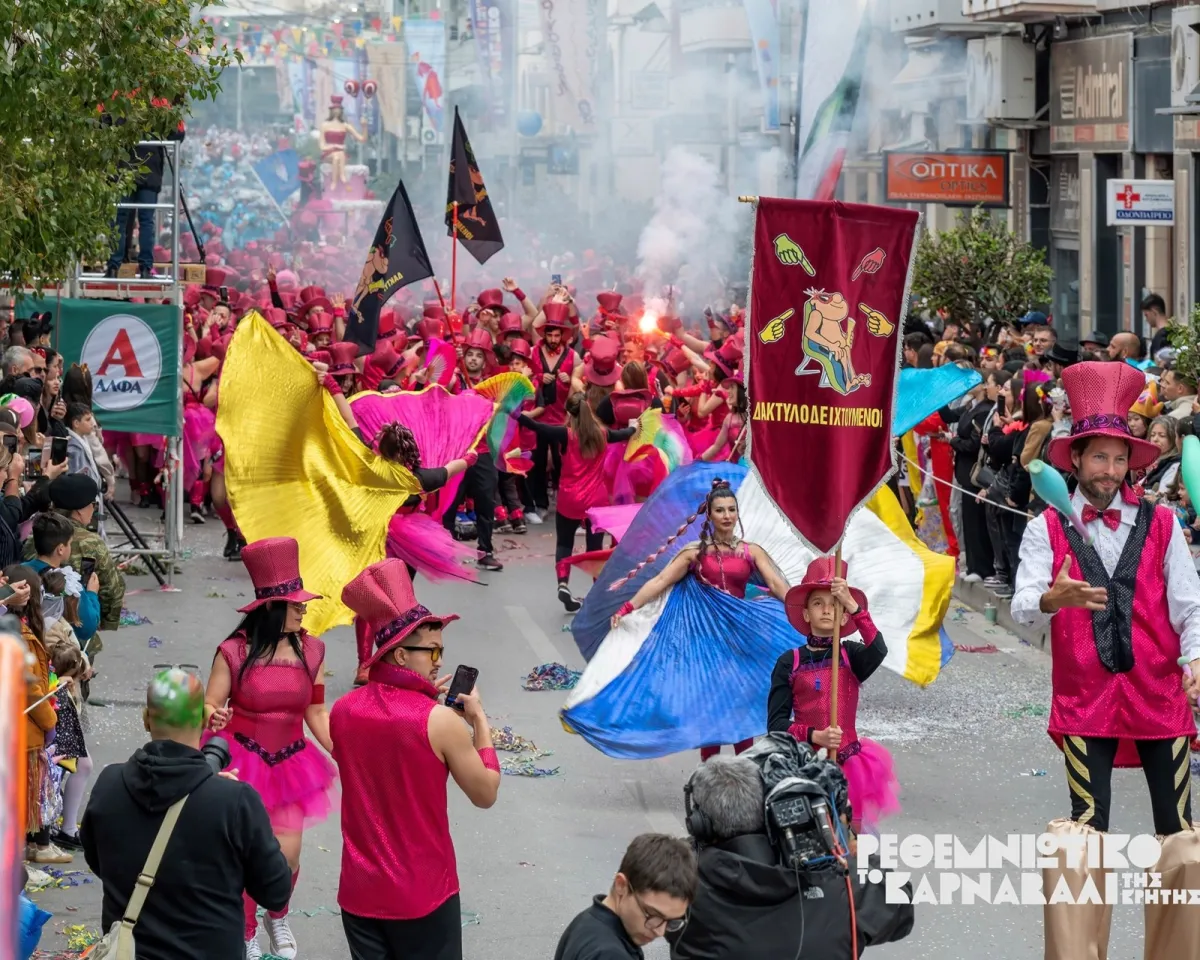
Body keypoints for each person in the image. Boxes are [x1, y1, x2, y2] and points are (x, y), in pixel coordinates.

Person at [1009, 361, 1200, 955]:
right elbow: (1022, 607)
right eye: (1099, 458)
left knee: (1179, 835)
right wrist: (1053, 598)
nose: (1110, 471)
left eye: (1120, 460)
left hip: (1160, 696)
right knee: (1083, 833)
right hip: (1084, 699)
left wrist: (1195, 661)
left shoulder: (1163, 523)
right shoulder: (1045, 528)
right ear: (1076, 459)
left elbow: (1189, 604)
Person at [334, 559, 501, 960]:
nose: (440, 660)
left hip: (359, 893)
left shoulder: (343, 710)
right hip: (423, 894)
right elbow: (485, 792)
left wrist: (421, 696)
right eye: (432, 650)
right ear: (400, 656)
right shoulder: (440, 721)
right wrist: (479, 721)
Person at [564, 479, 792, 760]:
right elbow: (660, 581)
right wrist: (627, 608)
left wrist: (800, 609)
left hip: (740, 637)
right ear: (709, 515)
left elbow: (776, 584)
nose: (727, 516)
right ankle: (710, 770)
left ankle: (744, 769)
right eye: (720, 510)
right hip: (705, 640)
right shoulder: (695, 553)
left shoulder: (751, 551)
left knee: (739, 702)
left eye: (731, 509)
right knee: (710, 706)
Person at [81, 668, 294, 960]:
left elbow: (98, 861)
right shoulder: (235, 802)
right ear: (203, 720)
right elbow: (276, 891)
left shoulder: (109, 785)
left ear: (146, 719)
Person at [203, 537, 336, 960]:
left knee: (288, 857)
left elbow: (316, 712)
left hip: (292, 763)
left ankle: (277, 915)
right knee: (244, 854)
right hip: (241, 762)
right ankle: (245, 931)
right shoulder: (233, 651)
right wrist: (213, 716)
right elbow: (210, 703)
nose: (303, 610)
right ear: (273, 607)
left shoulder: (313, 650)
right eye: (296, 605)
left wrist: (343, 751)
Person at [667, 753, 914, 960]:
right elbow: (901, 903)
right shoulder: (840, 880)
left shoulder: (679, 883)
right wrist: (840, 840)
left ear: (699, 824)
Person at [767, 557, 898, 832]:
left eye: (834, 604)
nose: (827, 610)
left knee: (854, 839)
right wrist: (815, 736)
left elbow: (878, 649)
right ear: (806, 614)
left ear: (844, 615)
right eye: (818, 603)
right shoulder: (789, 662)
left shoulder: (850, 655)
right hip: (805, 764)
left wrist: (853, 604)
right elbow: (775, 724)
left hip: (849, 764)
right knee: (812, 836)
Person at [518, 392, 638, 611]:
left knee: (564, 543)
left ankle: (563, 583)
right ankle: (596, 594)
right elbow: (624, 434)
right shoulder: (603, 434)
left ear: (569, 413)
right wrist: (634, 427)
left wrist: (512, 413)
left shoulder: (566, 434)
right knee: (594, 548)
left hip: (570, 498)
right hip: (596, 500)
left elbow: (537, 426)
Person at [555, 834, 696, 960]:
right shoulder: (610, 954)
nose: (660, 932)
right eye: (652, 914)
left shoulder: (587, 922)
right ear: (621, 885)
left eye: (672, 922)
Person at [26, 474, 123, 648]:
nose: (94, 509)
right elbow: (112, 589)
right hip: (77, 634)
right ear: (80, 510)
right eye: (93, 504)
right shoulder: (91, 542)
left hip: (35, 633)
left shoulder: (36, 536)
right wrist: (102, 621)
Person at [27, 514, 100, 654]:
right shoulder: (69, 583)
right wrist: (92, 594)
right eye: (69, 543)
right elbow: (87, 629)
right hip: (56, 655)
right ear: (61, 549)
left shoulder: (19, 571)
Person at [1144, 292, 1171, 359]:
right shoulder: (1174, 332)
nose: (1146, 319)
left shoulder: (1160, 336)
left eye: (1146, 315)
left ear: (1154, 312)